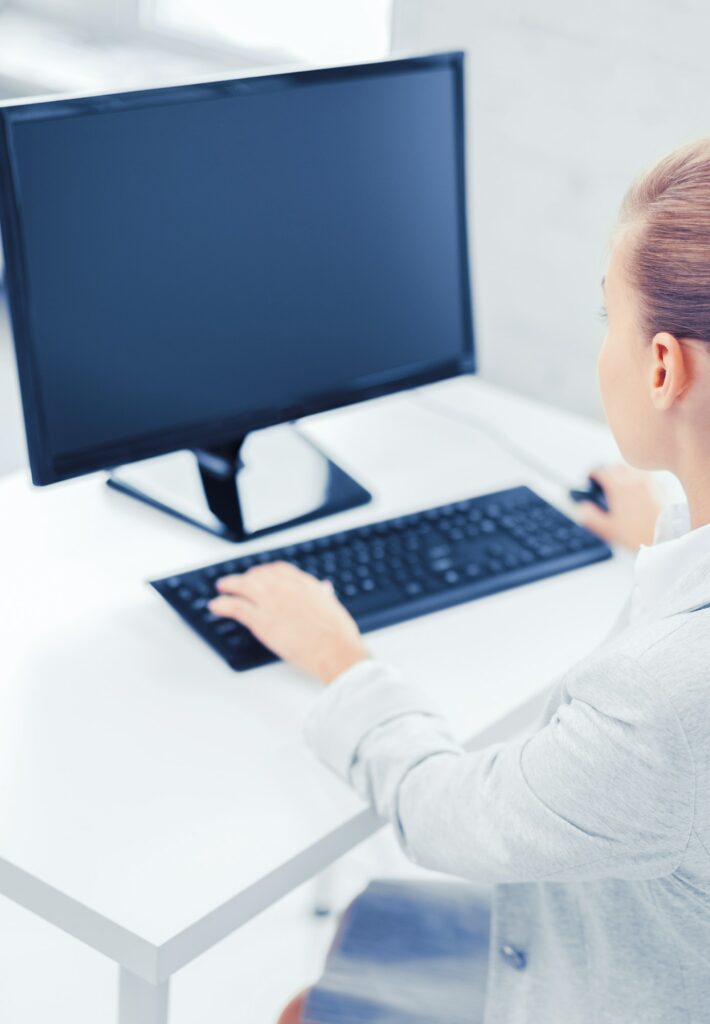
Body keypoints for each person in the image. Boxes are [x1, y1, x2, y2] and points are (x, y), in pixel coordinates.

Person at [209, 138, 710, 1023]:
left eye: (609, 319)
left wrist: (343, 662)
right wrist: (669, 527)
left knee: (303, 1009)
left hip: (619, 986)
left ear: (664, 366)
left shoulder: (667, 697)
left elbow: (445, 815)